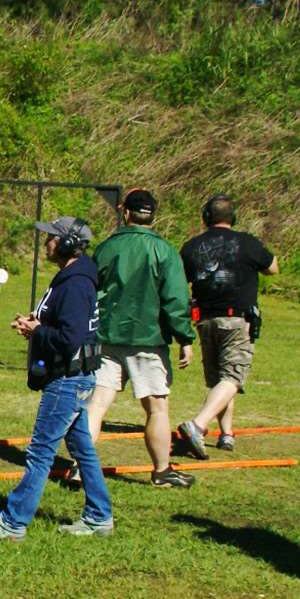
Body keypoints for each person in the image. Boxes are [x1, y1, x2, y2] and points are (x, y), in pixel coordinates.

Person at [0, 217, 113, 540]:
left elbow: (71, 338)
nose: (46, 242)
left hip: (67, 378)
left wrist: (38, 331)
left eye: (52, 237)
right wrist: (36, 324)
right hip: (74, 375)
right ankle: (99, 515)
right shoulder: (72, 277)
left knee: (40, 452)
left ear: (67, 243)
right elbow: (64, 326)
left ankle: (13, 521)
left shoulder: (76, 283)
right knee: (82, 448)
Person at [84, 189, 198, 489]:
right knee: (157, 408)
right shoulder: (164, 250)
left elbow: (91, 288)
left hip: (107, 336)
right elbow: (175, 298)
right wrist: (185, 337)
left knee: (96, 405)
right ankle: (162, 471)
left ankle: (79, 466)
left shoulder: (108, 247)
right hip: (148, 340)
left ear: (125, 213)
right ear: (153, 215)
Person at [176, 195, 279, 457]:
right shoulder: (246, 242)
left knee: (219, 381)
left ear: (206, 217)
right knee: (232, 377)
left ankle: (227, 434)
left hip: (205, 319)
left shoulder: (191, 246)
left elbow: (179, 282)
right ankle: (198, 426)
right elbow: (273, 268)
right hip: (236, 319)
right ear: (232, 217)